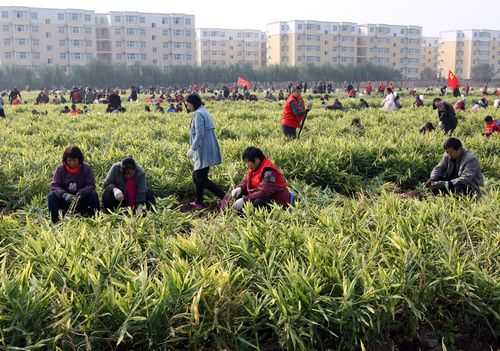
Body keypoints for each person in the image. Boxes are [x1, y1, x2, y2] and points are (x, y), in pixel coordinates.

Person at [185, 93, 225, 209]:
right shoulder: (203, 111)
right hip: (206, 149)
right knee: (197, 177)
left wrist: (192, 148)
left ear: (192, 103)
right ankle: (199, 201)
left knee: (201, 178)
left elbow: (200, 134)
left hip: (203, 150)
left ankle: (224, 196)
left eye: (187, 104)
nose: (187, 107)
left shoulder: (198, 114)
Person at [226, 147, 293, 211]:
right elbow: (246, 181)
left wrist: (245, 200)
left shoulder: (269, 172)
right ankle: (223, 210)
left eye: (248, 162)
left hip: (278, 200)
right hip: (262, 195)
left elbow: (264, 192)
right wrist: (240, 187)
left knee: (258, 202)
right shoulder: (254, 169)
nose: (247, 165)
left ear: (257, 160)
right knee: (236, 194)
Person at [48, 145, 100, 223]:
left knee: (93, 194)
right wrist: (64, 194)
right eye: (69, 160)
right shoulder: (60, 169)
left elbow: (91, 185)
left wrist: (81, 193)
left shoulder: (86, 169)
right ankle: (55, 221)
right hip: (65, 200)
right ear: (65, 160)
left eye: (74, 160)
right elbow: (55, 186)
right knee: (51, 195)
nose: (72, 163)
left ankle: (95, 218)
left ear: (79, 159)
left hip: (81, 200)